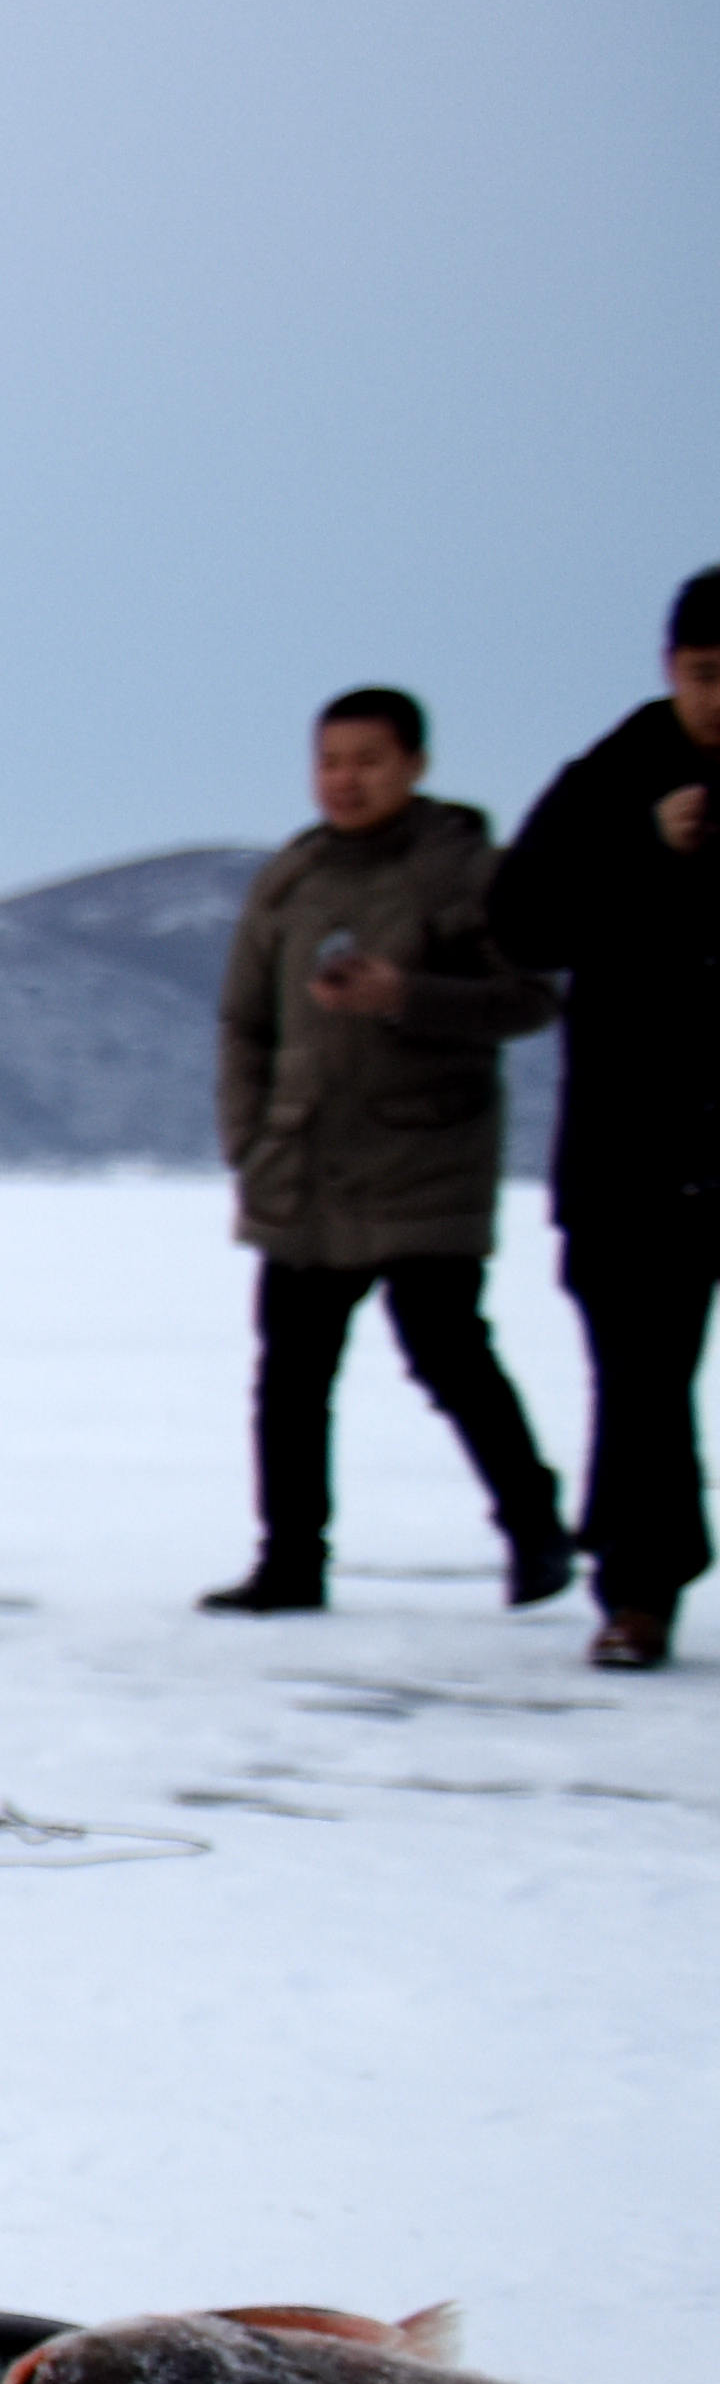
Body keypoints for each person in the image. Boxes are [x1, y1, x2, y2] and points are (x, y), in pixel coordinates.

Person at [192, 687, 561, 1618]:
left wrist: (407, 993)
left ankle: (535, 1526)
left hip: (424, 1158)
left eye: (367, 761)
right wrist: (250, 1137)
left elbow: (529, 998)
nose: (344, 781)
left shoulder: (465, 870)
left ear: (416, 766)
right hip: (306, 1162)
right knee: (291, 1376)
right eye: (329, 761)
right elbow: (245, 1022)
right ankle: (290, 1561)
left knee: (447, 1353)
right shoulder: (293, 879)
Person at [489, 567, 720, 1672]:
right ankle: (637, 1589)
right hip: (634, 1142)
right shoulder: (613, 777)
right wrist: (644, 848)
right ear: (669, 670)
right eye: (707, 676)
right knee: (638, 1381)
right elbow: (519, 919)